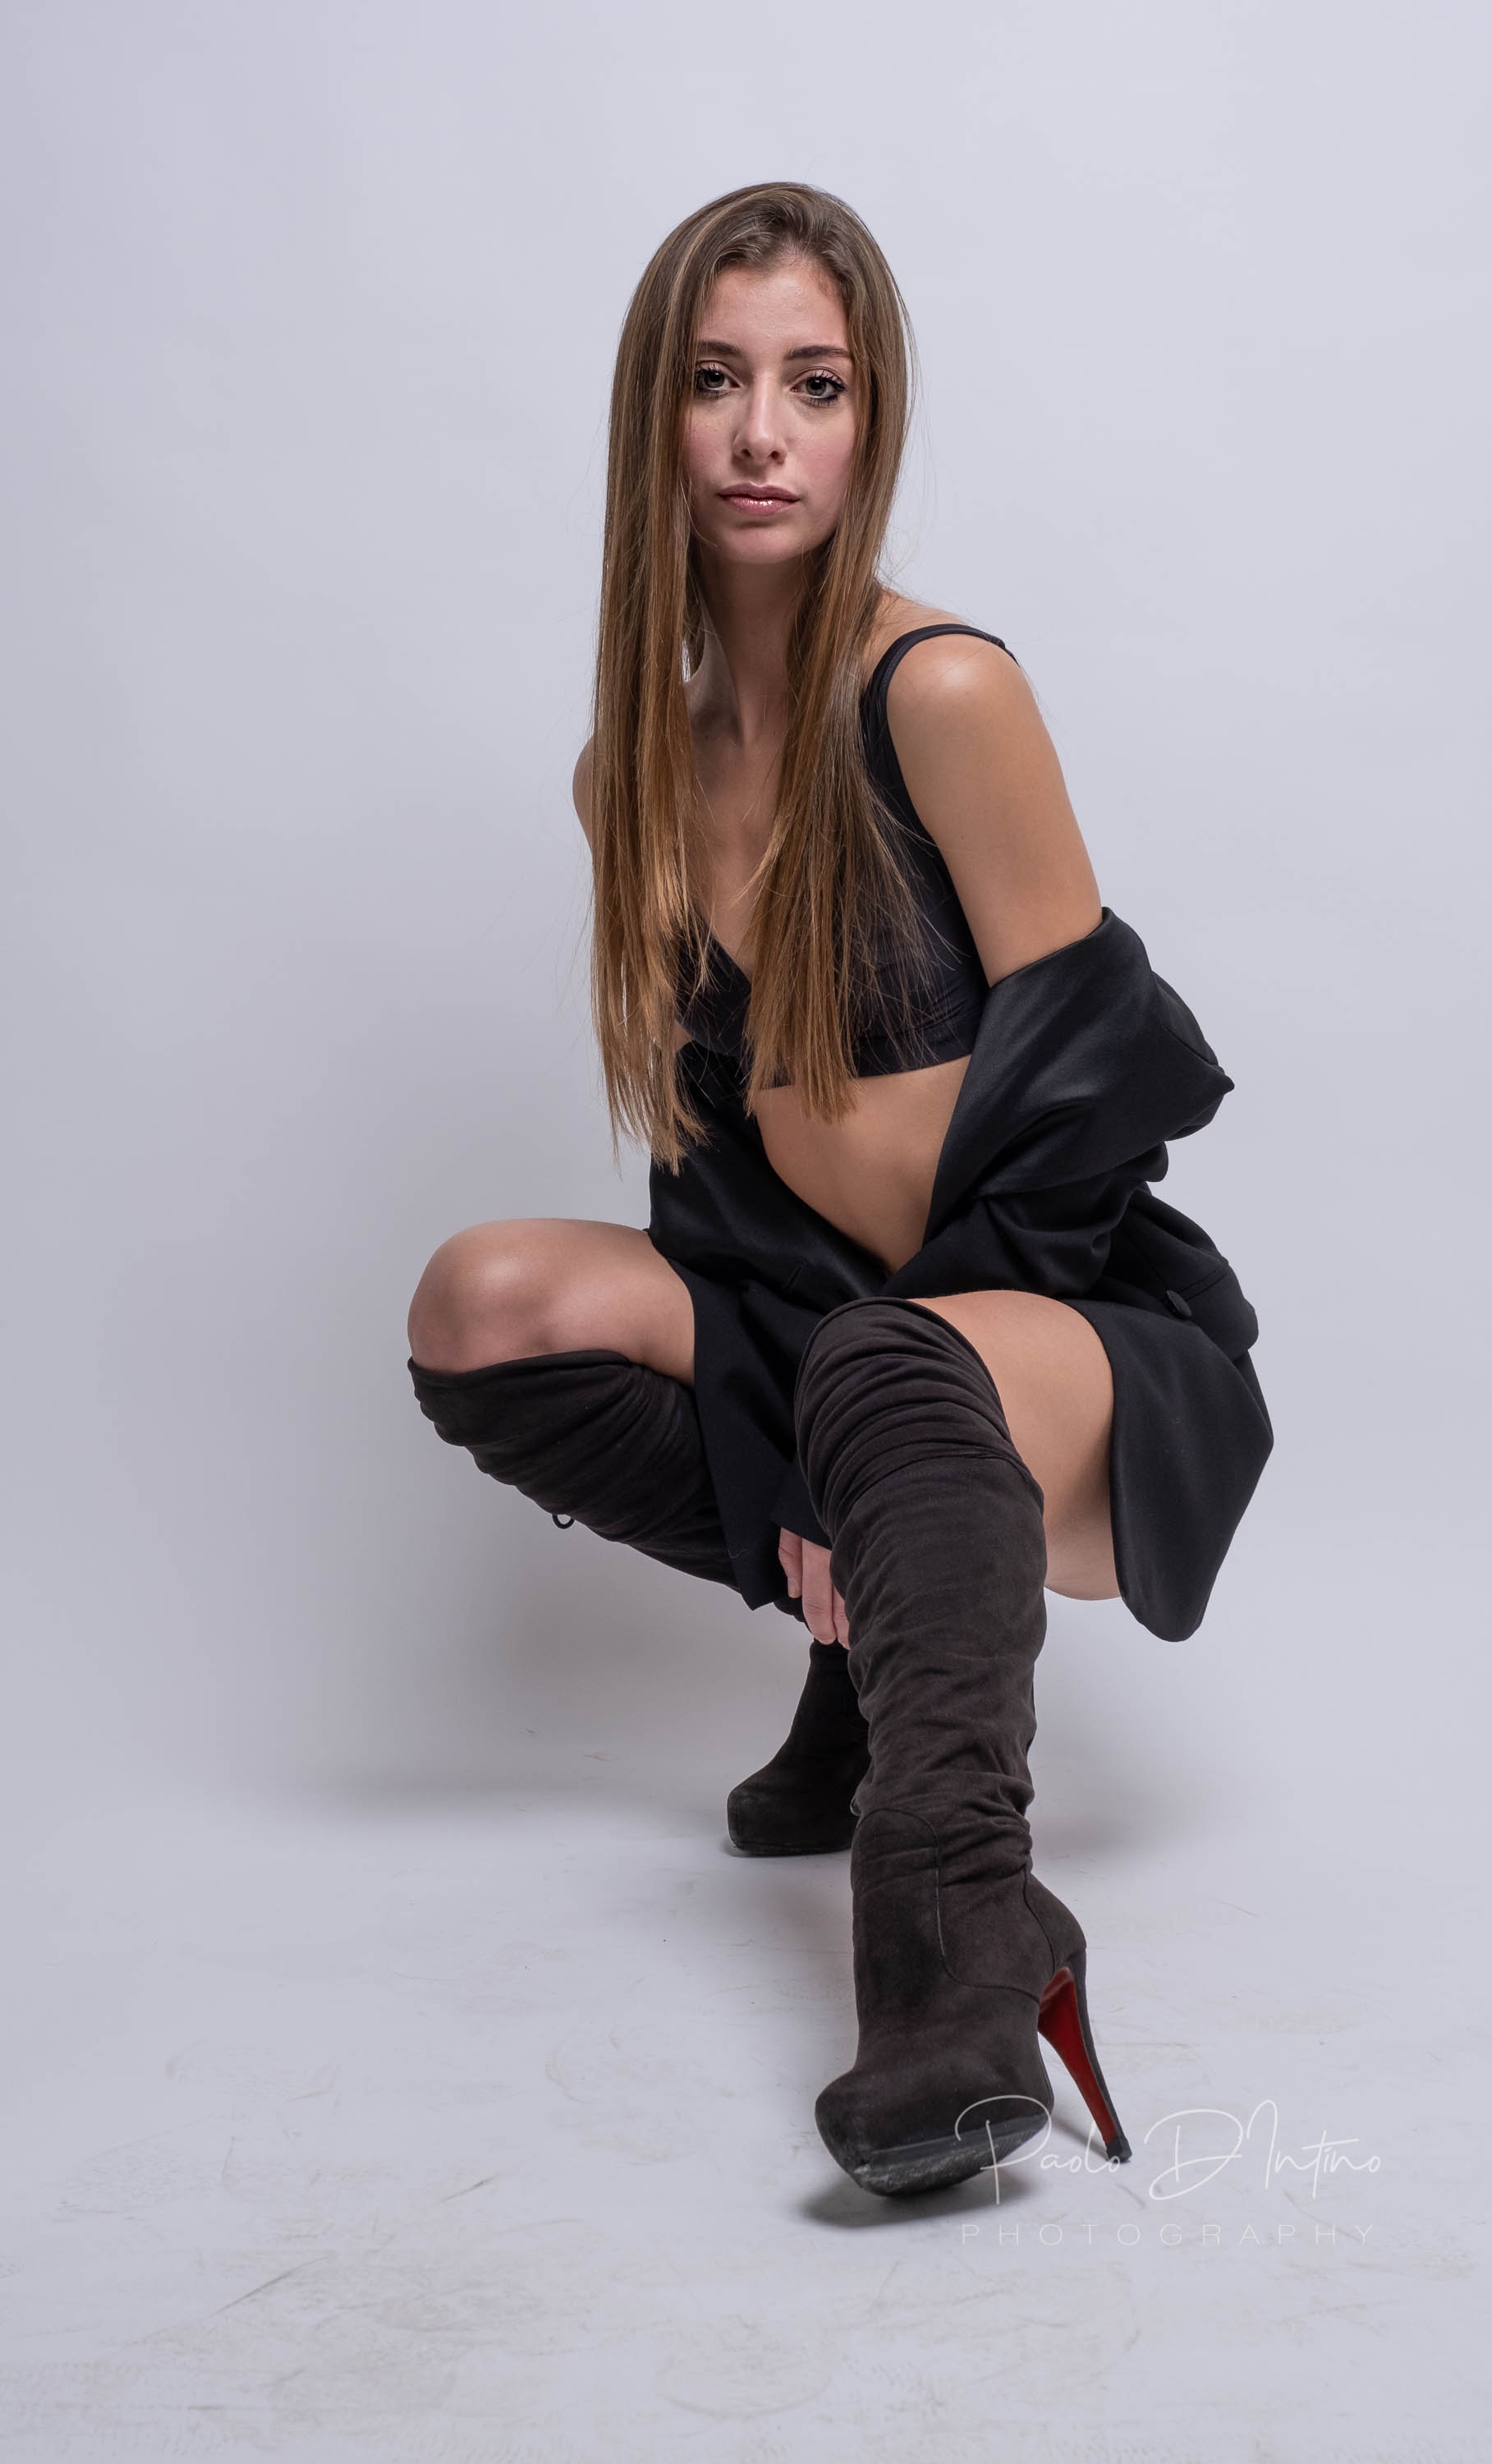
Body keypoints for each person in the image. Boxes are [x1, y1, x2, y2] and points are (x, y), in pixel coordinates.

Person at [406, 182, 1273, 2199]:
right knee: (483, 1301)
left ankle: (958, 1931)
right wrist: (812, 1413)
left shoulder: (939, 692)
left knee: (884, 1373)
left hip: (1070, 1335)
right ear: (656, 413)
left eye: (816, 384)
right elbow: (714, 1166)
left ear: (871, 419)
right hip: (836, 1338)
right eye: (715, 381)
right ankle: (868, 1668)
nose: (761, 434)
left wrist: (852, 1415)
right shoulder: (634, 766)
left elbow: (1090, 1111)